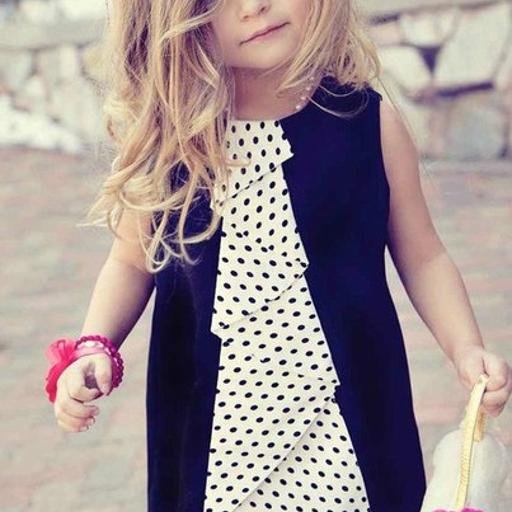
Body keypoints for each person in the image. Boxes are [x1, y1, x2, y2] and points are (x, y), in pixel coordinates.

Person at [46, 1, 512, 511]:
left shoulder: (368, 125)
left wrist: (465, 348)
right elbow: (131, 263)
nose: (254, 7)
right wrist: (95, 345)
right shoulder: (173, 145)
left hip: (345, 425)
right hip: (221, 442)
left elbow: (424, 256)